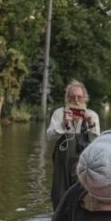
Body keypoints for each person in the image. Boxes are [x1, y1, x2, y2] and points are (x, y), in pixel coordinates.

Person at [46, 80, 101, 210]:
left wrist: (90, 123)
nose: (76, 100)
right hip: (62, 162)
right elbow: (49, 136)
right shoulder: (59, 113)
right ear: (67, 98)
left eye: (79, 97)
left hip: (83, 162)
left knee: (82, 193)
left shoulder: (92, 115)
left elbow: (98, 144)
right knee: (59, 193)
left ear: (84, 99)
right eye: (72, 97)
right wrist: (63, 124)